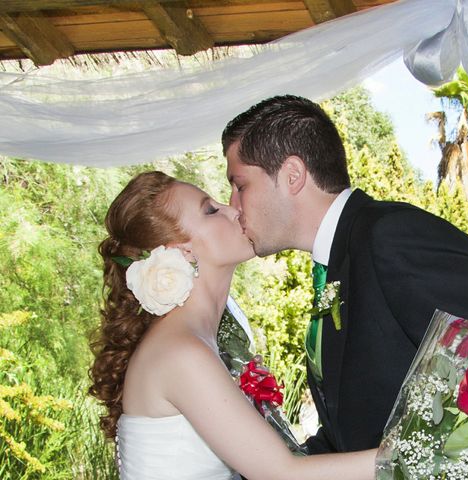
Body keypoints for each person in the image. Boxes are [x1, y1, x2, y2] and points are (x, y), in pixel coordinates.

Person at [222, 95, 468, 479]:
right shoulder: (338, 264)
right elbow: (356, 433)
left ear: (292, 175)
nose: (232, 203)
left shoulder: (391, 237)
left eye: (239, 184)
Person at [89, 172, 376, 480]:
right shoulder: (180, 352)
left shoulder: (203, 340)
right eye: (210, 210)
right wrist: (412, 455)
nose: (233, 209)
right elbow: (282, 473)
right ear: (182, 251)